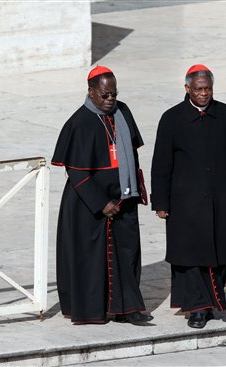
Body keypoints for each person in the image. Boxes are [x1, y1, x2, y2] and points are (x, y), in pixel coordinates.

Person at [52, 66, 153, 325]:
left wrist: (134, 187)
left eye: (114, 94)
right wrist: (101, 203)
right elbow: (75, 171)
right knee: (92, 260)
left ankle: (129, 308)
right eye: (105, 95)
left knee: (127, 254)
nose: (110, 100)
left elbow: (132, 150)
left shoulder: (123, 111)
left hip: (124, 197)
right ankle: (92, 310)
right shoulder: (79, 122)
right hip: (88, 204)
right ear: (91, 92)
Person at [151, 64, 226, 329]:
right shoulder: (172, 118)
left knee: (218, 256)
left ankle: (212, 303)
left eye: (208, 89)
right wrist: (160, 202)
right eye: (199, 89)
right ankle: (197, 308)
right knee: (191, 259)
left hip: (221, 200)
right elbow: (161, 163)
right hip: (186, 203)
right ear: (187, 89)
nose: (204, 94)